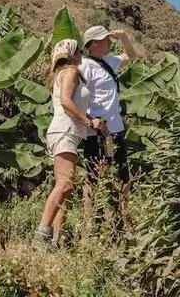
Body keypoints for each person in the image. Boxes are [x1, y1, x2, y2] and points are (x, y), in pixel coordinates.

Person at [33, 39, 107, 250]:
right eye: (79, 51)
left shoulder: (62, 73)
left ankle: (59, 239)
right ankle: (41, 236)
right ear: (73, 54)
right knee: (66, 184)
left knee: (63, 188)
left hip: (65, 131)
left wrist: (91, 120)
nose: (82, 54)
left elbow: (70, 103)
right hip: (65, 130)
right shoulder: (72, 72)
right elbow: (66, 102)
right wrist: (88, 122)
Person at [79, 26, 137, 226]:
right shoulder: (84, 65)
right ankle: (90, 221)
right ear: (93, 44)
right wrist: (88, 120)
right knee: (93, 176)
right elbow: (76, 97)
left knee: (122, 173)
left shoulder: (109, 62)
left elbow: (131, 56)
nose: (108, 42)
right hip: (98, 131)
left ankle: (123, 217)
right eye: (105, 40)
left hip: (116, 129)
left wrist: (124, 37)